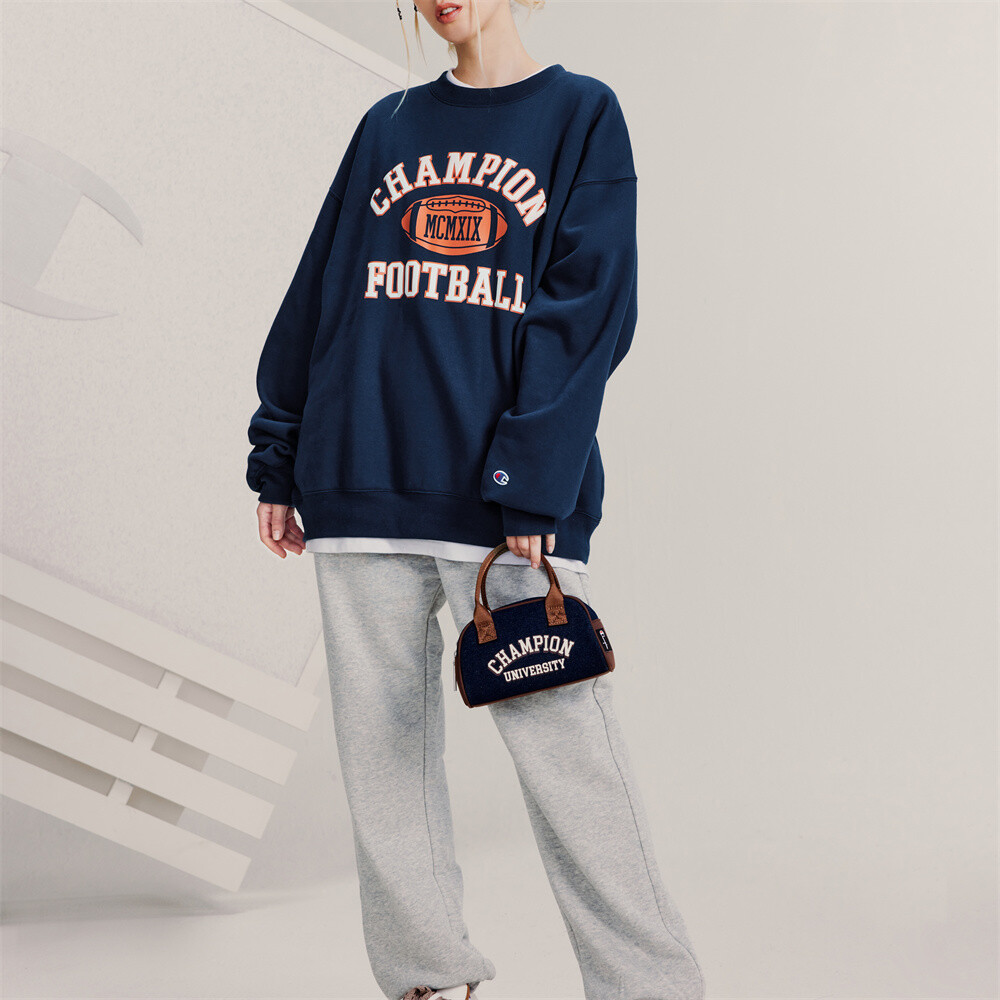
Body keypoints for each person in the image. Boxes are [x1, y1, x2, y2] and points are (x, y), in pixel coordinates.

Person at [245, 2, 707, 998]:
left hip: (503, 515)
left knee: (571, 761)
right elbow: (319, 289)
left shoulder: (581, 114)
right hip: (360, 477)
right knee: (383, 759)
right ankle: (426, 979)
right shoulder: (389, 124)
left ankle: (650, 986)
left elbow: (590, 313)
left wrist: (531, 478)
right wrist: (279, 452)